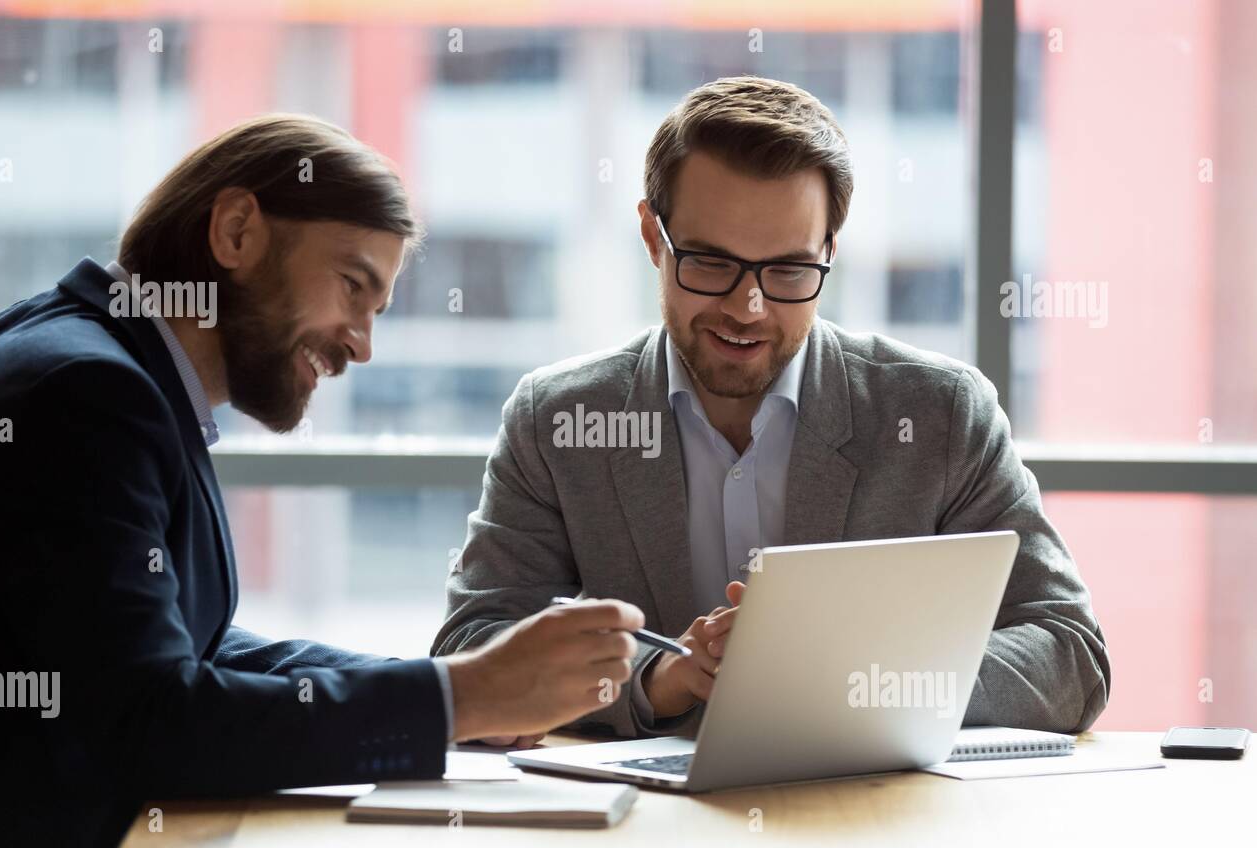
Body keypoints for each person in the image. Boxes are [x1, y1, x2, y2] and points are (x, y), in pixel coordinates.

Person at [0, 114, 641, 848]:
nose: (361, 344)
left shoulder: (96, 360)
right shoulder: (87, 394)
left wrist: (459, 692)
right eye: (353, 286)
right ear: (237, 232)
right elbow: (150, 724)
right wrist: (463, 699)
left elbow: (191, 650)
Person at [435, 77, 1111, 739]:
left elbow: (1070, 654)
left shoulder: (940, 415)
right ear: (651, 235)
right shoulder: (558, 422)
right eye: (710, 263)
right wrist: (652, 680)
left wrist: (866, 679)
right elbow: (471, 648)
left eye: (787, 271)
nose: (746, 309)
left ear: (829, 254)